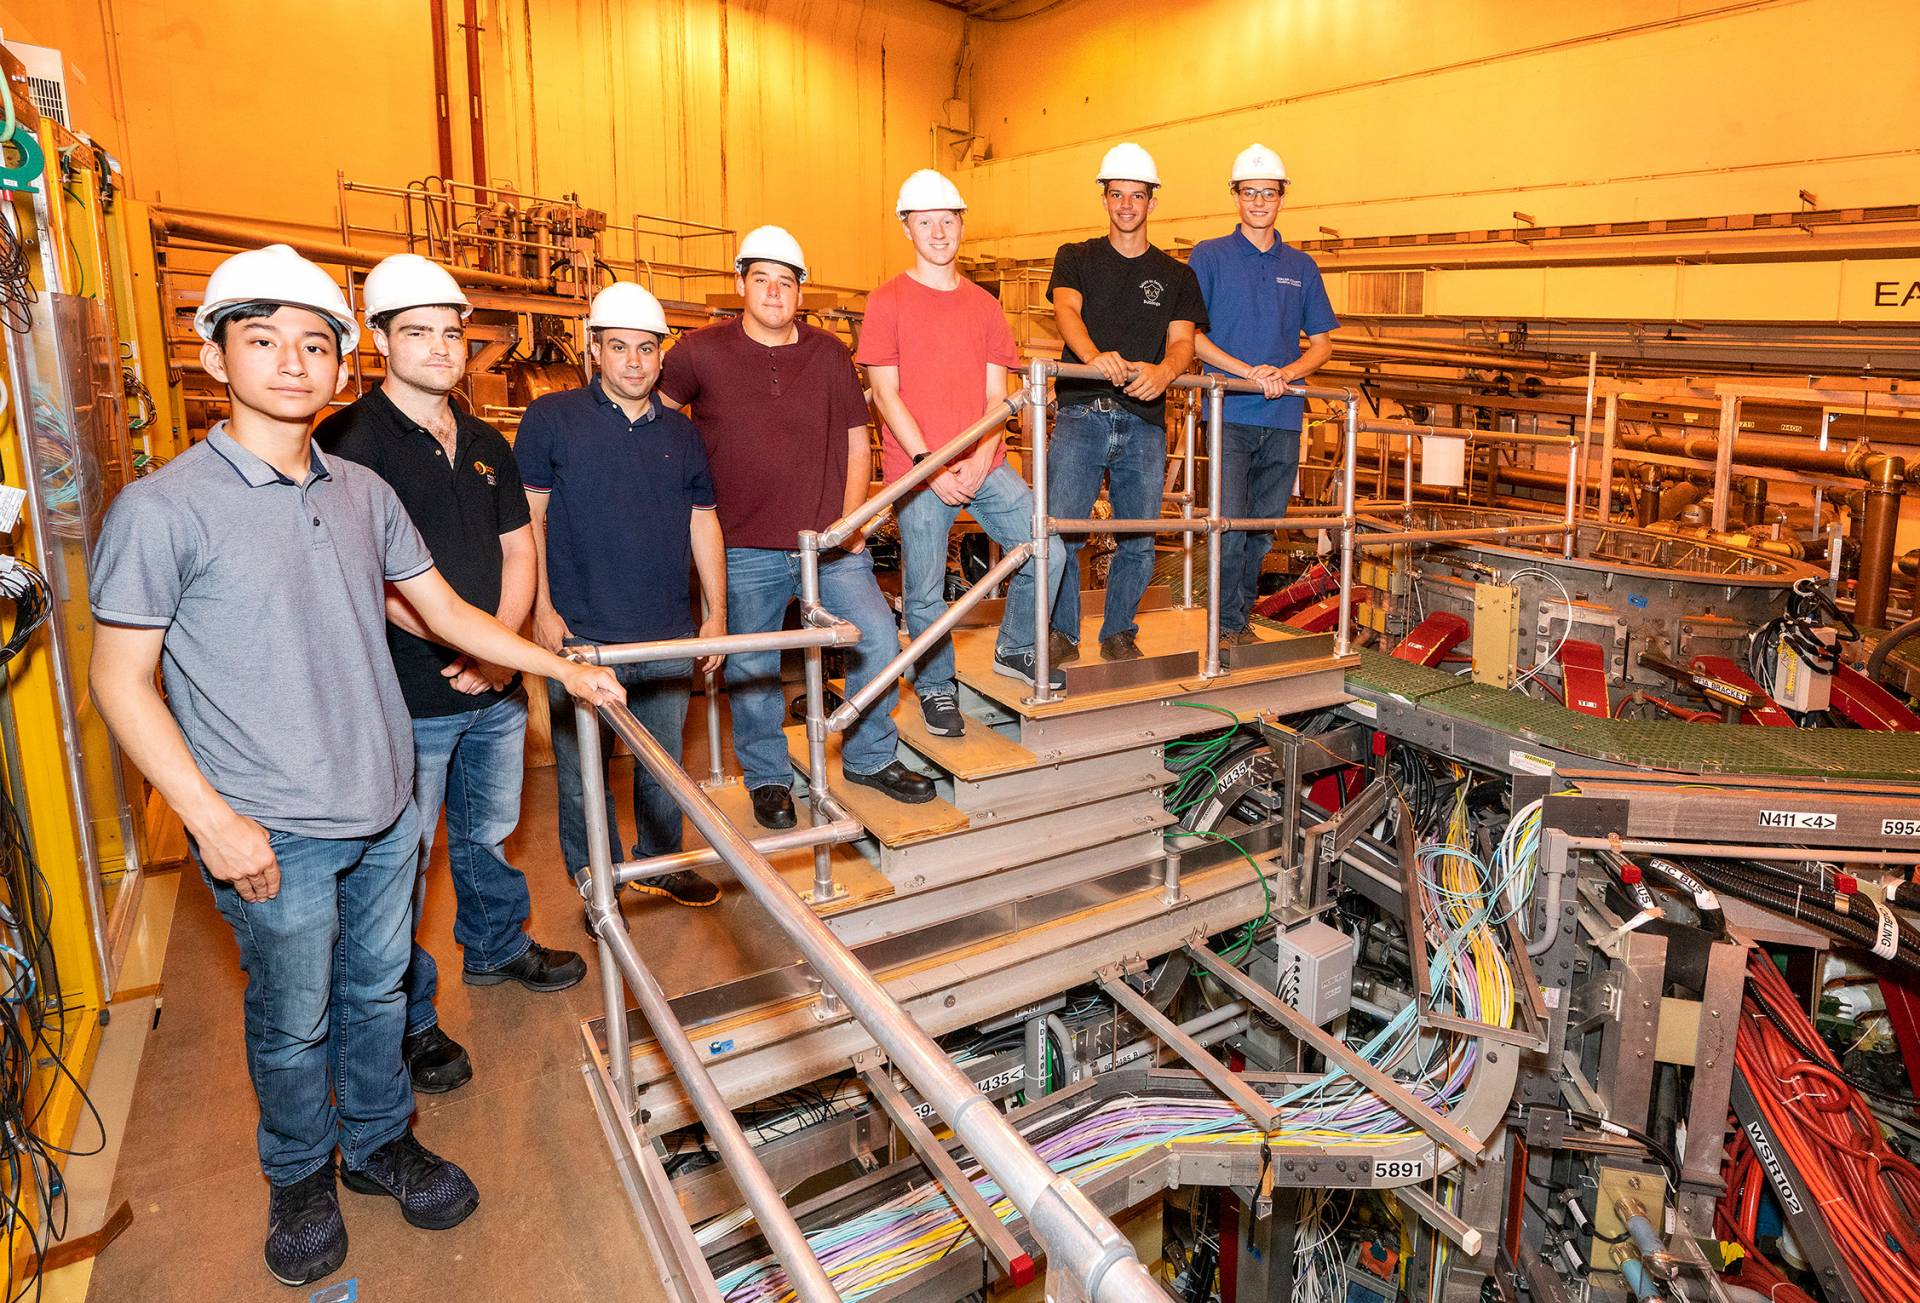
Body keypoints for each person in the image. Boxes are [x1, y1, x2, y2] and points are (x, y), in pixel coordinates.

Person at [87, 245, 624, 1288]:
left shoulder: (365, 491)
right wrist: (209, 817)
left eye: (312, 342)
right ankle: (298, 1177)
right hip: (268, 821)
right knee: (295, 1019)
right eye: (264, 340)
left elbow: (452, 613)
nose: (293, 361)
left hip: (383, 805)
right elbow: (121, 682)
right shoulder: (163, 508)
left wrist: (559, 668)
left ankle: (378, 1142)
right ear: (213, 356)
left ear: (341, 365)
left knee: (380, 988)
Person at [316, 254, 587, 1099]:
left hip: (493, 690)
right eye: (418, 333)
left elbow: (519, 547)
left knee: (486, 831)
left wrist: (496, 647)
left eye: (450, 332)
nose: (440, 348)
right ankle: (407, 1016)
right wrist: (456, 648)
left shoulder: (482, 442)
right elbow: (365, 577)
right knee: (399, 860)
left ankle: (499, 944)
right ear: (379, 339)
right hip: (409, 692)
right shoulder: (346, 444)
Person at [659, 226, 933, 829]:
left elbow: (858, 440)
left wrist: (852, 520)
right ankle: (768, 779)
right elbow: (655, 422)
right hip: (741, 545)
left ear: (801, 291)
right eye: (762, 279)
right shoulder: (699, 352)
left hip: (829, 546)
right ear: (741, 284)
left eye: (786, 281)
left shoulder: (831, 352)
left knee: (877, 644)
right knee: (754, 668)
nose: (774, 291)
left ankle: (867, 755)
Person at [517, 282, 727, 909]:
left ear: (661, 355)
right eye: (619, 348)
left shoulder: (683, 434)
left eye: (645, 349)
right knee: (584, 774)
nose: (634, 362)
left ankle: (659, 861)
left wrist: (715, 614)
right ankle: (597, 885)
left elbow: (703, 519)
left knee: (663, 763)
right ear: (594, 350)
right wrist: (542, 610)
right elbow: (528, 519)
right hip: (582, 633)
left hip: (665, 630)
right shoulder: (551, 419)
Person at [856, 170, 1067, 736]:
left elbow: (996, 396)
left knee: (1047, 550)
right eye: (925, 223)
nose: (938, 232)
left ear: (961, 225)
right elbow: (885, 394)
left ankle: (1017, 646)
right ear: (908, 228)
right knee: (924, 590)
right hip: (919, 470)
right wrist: (931, 465)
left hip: (985, 460)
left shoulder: (984, 306)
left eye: (947, 221)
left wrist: (979, 456)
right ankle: (936, 687)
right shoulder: (887, 301)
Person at [1046, 142, 1208, 663]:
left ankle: (1118, 632)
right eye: (1117, 194)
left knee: (1137, 537)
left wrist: (1165, 371)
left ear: (1151, 202)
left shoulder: (1177, 275)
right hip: (1081, 413)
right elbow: (1065, 311)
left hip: (1144, 420)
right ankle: (1062, 635)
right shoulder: (1076, 257)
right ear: (1105, 198)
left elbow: (1182, 341)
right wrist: (1093, 358)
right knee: (1061, 531)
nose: (1126, 205)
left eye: (1136, 196)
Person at [1190, 145, 1338, 654]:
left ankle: (1238, 617)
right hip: (1229, 410)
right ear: (1235, 196)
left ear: (1281, 198)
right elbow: (1190, 337)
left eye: (1268, 193)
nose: (1259, 201)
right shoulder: (1208, 256)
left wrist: (1285, 374)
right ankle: (1224, 625)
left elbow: (1322, 343)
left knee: (1262, 531)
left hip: (1283, 417)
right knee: (1229, 525)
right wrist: (1247, 373)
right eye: (1249, 192)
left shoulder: (1301, 265)